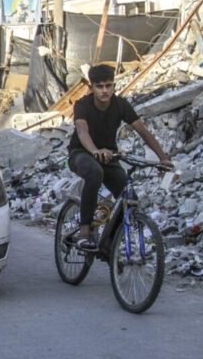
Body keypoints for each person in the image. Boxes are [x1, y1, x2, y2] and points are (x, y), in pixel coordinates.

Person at [68, 64, 172, 251]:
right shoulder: (82, 105)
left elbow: (143, 131)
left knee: (129, 196)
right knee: (94, 173)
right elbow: (82, 132)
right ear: (91, 88)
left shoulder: (121, 105)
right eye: (99, 86)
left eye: (109, 85)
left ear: (114, 86)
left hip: (109, 155)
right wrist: (95, 151)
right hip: (81, 153)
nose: (105, 90)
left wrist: (163, 158)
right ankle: (84, 232)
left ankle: (109, 243)